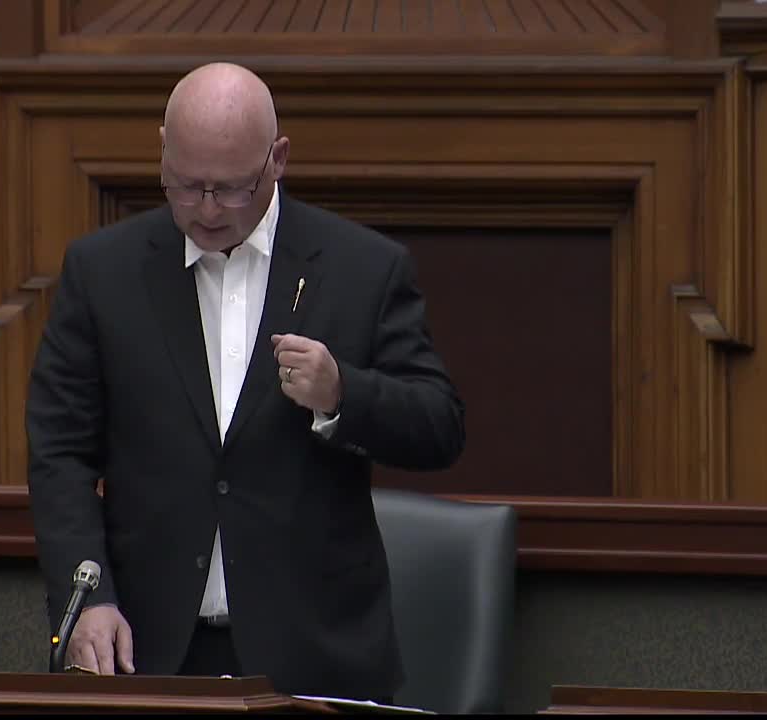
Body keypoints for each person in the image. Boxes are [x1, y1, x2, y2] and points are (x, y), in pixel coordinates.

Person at [25, 61, 465, 703]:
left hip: (313, 655)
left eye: (230, 189)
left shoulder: (362, 268)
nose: (205, 211)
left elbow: (439, 426)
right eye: (185, 185)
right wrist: (86, 598)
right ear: (163, 153)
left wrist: (343, 394)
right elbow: (59, 451)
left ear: (277, 159)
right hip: (144, 650)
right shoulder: (103, 272)